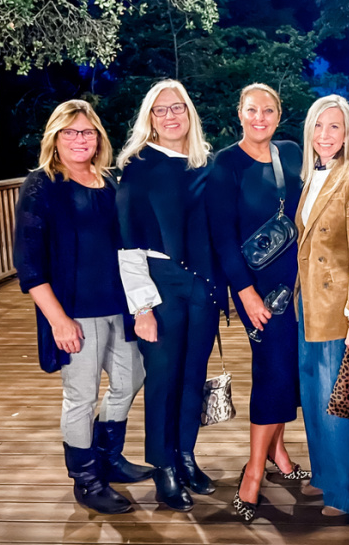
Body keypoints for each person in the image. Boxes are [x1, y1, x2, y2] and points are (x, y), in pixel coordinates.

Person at [13, 100, 152, 516]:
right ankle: (87, 479)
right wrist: (58, 318)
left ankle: (109, 457)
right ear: (55, 138)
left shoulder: (109, 182)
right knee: (81, 394)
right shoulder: (42, 185)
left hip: (119, 305)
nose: (79, 139)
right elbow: (28, 262)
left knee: (131, 379)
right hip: (75, 311)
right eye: (70, 132)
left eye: (87, 132)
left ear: (99, 139)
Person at [115, 79, 223, 512]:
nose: (171, 116)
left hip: (203, 285)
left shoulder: (205, 163)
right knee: (163, 379)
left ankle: (184, 456)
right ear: (150, 119)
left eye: (178, 107)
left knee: (192, 377)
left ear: (189, 113)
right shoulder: (139, 167)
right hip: (159, 283)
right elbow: (127, 245)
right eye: (161, 111)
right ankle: (163, 469)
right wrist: (141, 307)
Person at [207, 83, 307, 522]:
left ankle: (278, 451)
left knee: (290, 370)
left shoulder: (291, 153)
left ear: (279, 114)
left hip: (299, 284)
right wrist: (244, 294)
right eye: (252, 110)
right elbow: (223, 239)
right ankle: (252, 471)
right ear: (240, 113)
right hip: (258, 290)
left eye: (268, 110)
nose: (260, 117)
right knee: (272, 371)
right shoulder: (225, 163)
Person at [295, 95, 349, 519]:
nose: (325, 135)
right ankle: (325, 477)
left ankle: (346, 495)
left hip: (338, 310)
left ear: (347, 134)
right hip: (306, 305)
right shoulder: (313, 177)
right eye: (318, 126)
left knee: (340, 402)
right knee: (313, 398)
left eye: (334, 127)